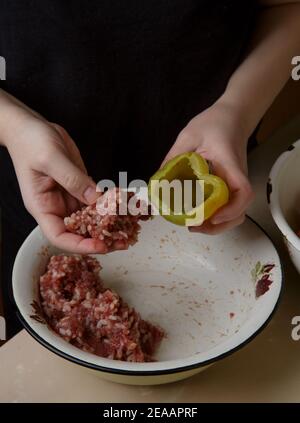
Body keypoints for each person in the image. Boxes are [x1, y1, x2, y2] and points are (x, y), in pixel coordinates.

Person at [0, 0, 300, 338]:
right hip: (40, 183)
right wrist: (12, 127)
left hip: (217, 165)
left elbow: (287, 7)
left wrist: (236, 111)